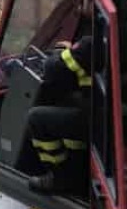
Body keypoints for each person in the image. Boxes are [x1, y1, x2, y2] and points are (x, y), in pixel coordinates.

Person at [27, 35, 93, 195]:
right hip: (122, 117)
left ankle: (60, 179)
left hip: (99, 121)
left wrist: (62, 50)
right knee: (70, 105)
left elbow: (53, 68)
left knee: (37, 118)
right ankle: (78, 168)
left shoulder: (96, 42)